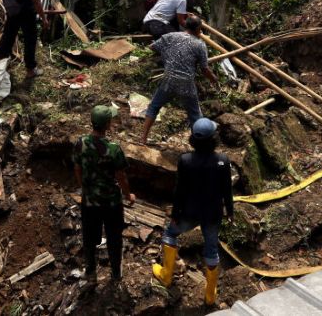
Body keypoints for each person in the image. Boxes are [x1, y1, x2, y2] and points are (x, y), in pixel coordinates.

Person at [152, 117, 233, 306]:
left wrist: (175, 215)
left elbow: (180, 191)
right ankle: (210, 296)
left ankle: (166, 275)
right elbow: (227, 189)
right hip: (213, 214)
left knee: (170, 234)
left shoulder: (186, 160)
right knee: (212, 249)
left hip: (189, 212)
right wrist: (230, 211)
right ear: (213, 138)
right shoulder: (222, 161)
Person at [73, 105, 134, 285]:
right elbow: (121, 176)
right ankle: (115, 273)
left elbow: (77, 168)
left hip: (90, 201)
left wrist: (83, 187)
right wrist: (129, 194)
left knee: (89, 236)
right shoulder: (114, 149)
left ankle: (91, 271)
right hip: (111, 203)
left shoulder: (80, 143)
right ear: (107, 124)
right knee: (114, 237)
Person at [140, 15, 218, 145]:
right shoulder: (200, 44)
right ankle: (201, 146)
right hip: (186, 83)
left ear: (185, 25)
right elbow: (204, 69)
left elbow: (153, 47)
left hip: (168, 79)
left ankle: (142, 139)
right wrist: (214, 79)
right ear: (199, 28)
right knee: (194, 115)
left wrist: (167, 55)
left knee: (154, 106)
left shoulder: (171, 36)